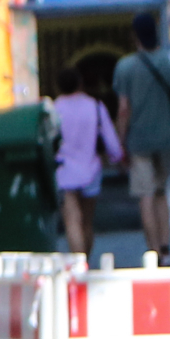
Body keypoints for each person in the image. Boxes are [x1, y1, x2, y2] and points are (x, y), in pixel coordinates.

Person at [113, 12, 170, 256]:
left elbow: (123, 110)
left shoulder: (125, 67)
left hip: (139, 141)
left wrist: (120, 143)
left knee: (145, 196)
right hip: (166, 137)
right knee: (161, 192)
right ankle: (166, 247)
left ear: (135, 36)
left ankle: (152, 250)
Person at [53, 65, 122, 258]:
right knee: (87, 222)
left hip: (64, 171)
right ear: (80, 83)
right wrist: (118, 158)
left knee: (72, 220)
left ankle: (78, 264)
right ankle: (86, 261)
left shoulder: (53, 110)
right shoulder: (95, 106)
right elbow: (111, 141)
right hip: (91, 170)